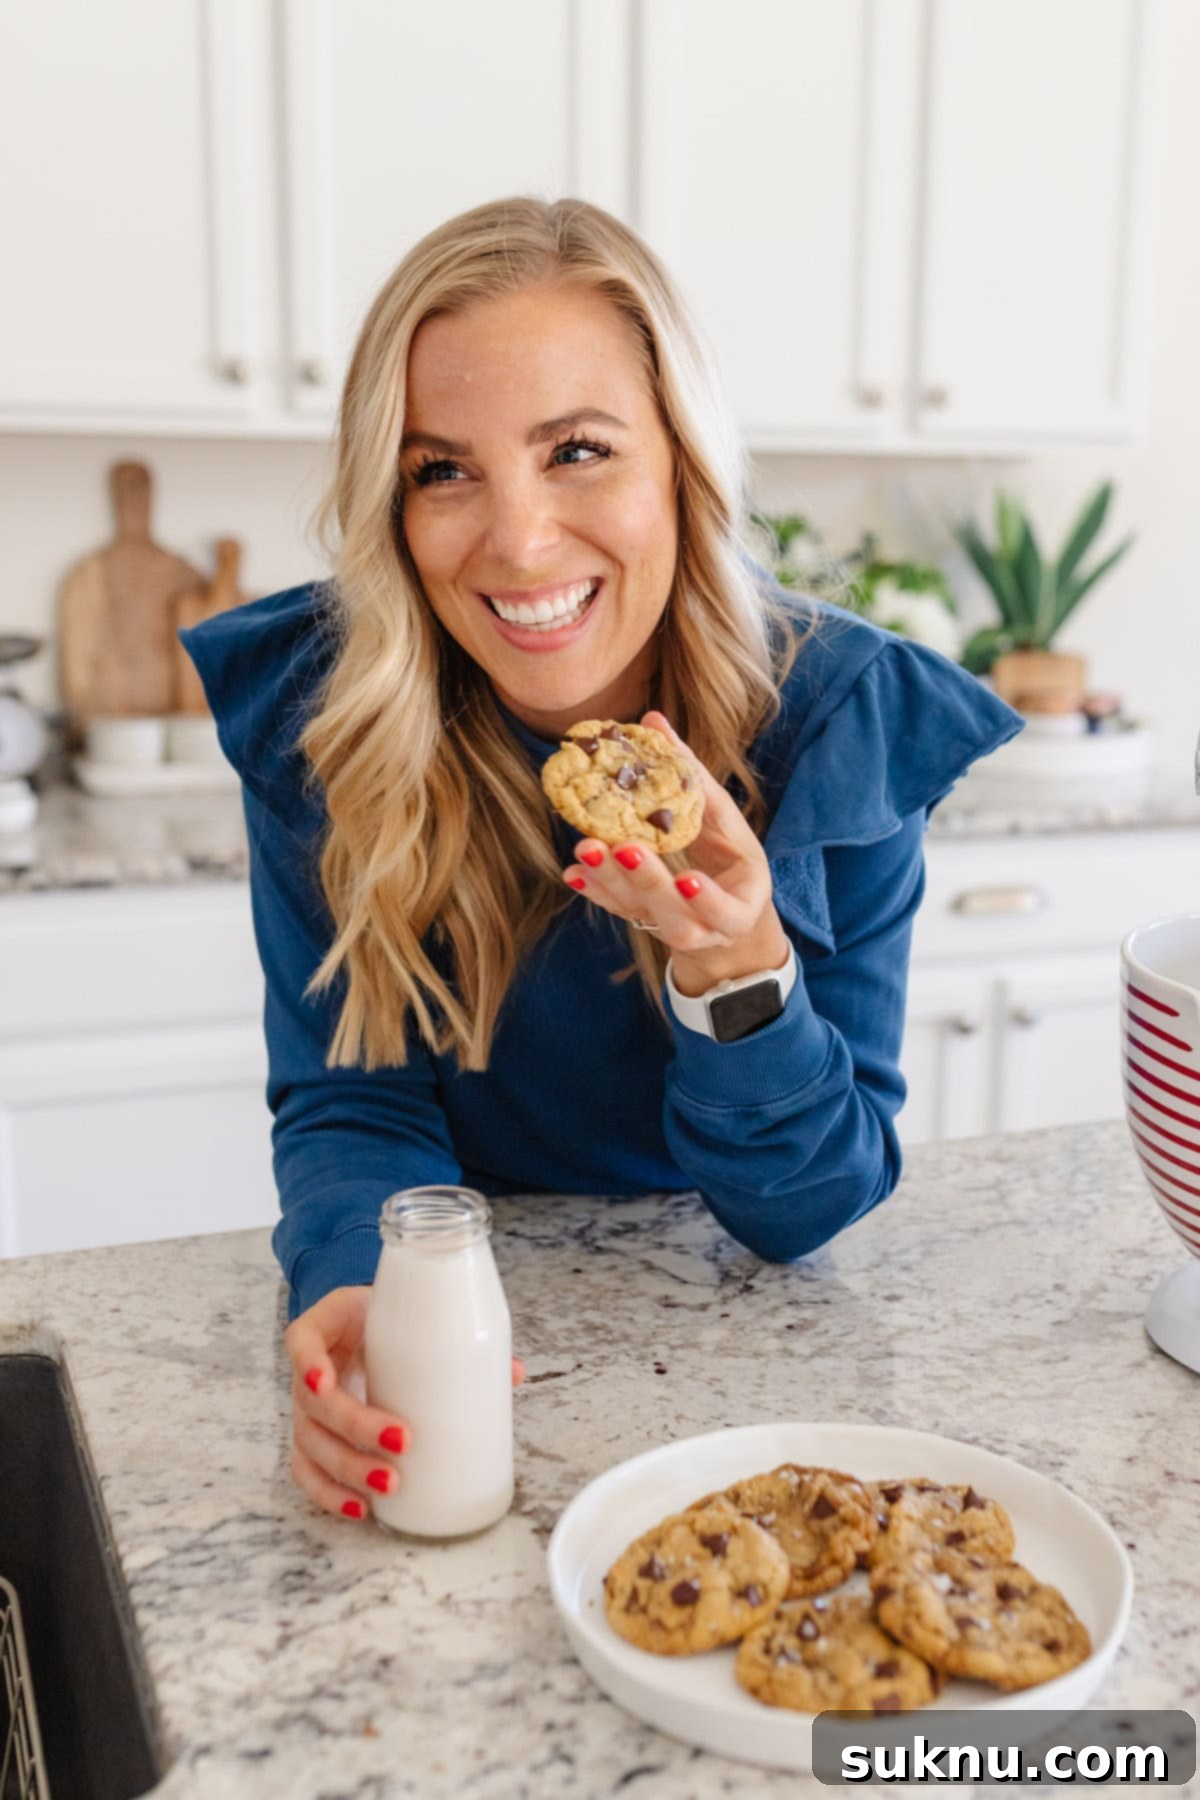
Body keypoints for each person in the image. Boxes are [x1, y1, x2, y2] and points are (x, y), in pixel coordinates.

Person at [181, 196, 1021, 1521]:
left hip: (752, 1371)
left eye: (576, 449)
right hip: (461, 1330)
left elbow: (808, 1212)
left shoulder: (836, 720)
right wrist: (362, 1279)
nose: (516, 541)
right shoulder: (330, 720)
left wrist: (736, 970)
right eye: (440, 469)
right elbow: (355, 1103)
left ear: (681, 462)